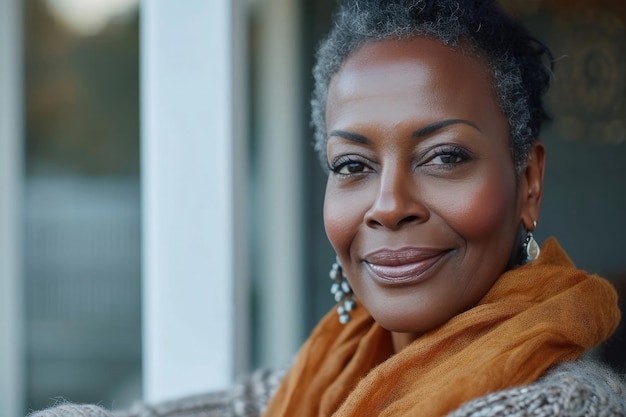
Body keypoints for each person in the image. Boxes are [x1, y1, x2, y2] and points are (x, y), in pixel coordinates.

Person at [30, 0, 626, 416]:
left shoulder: (566, 405)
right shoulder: (332, 372)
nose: (388, 206)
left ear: (528, 183)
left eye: (443, 156)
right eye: (352, 166)